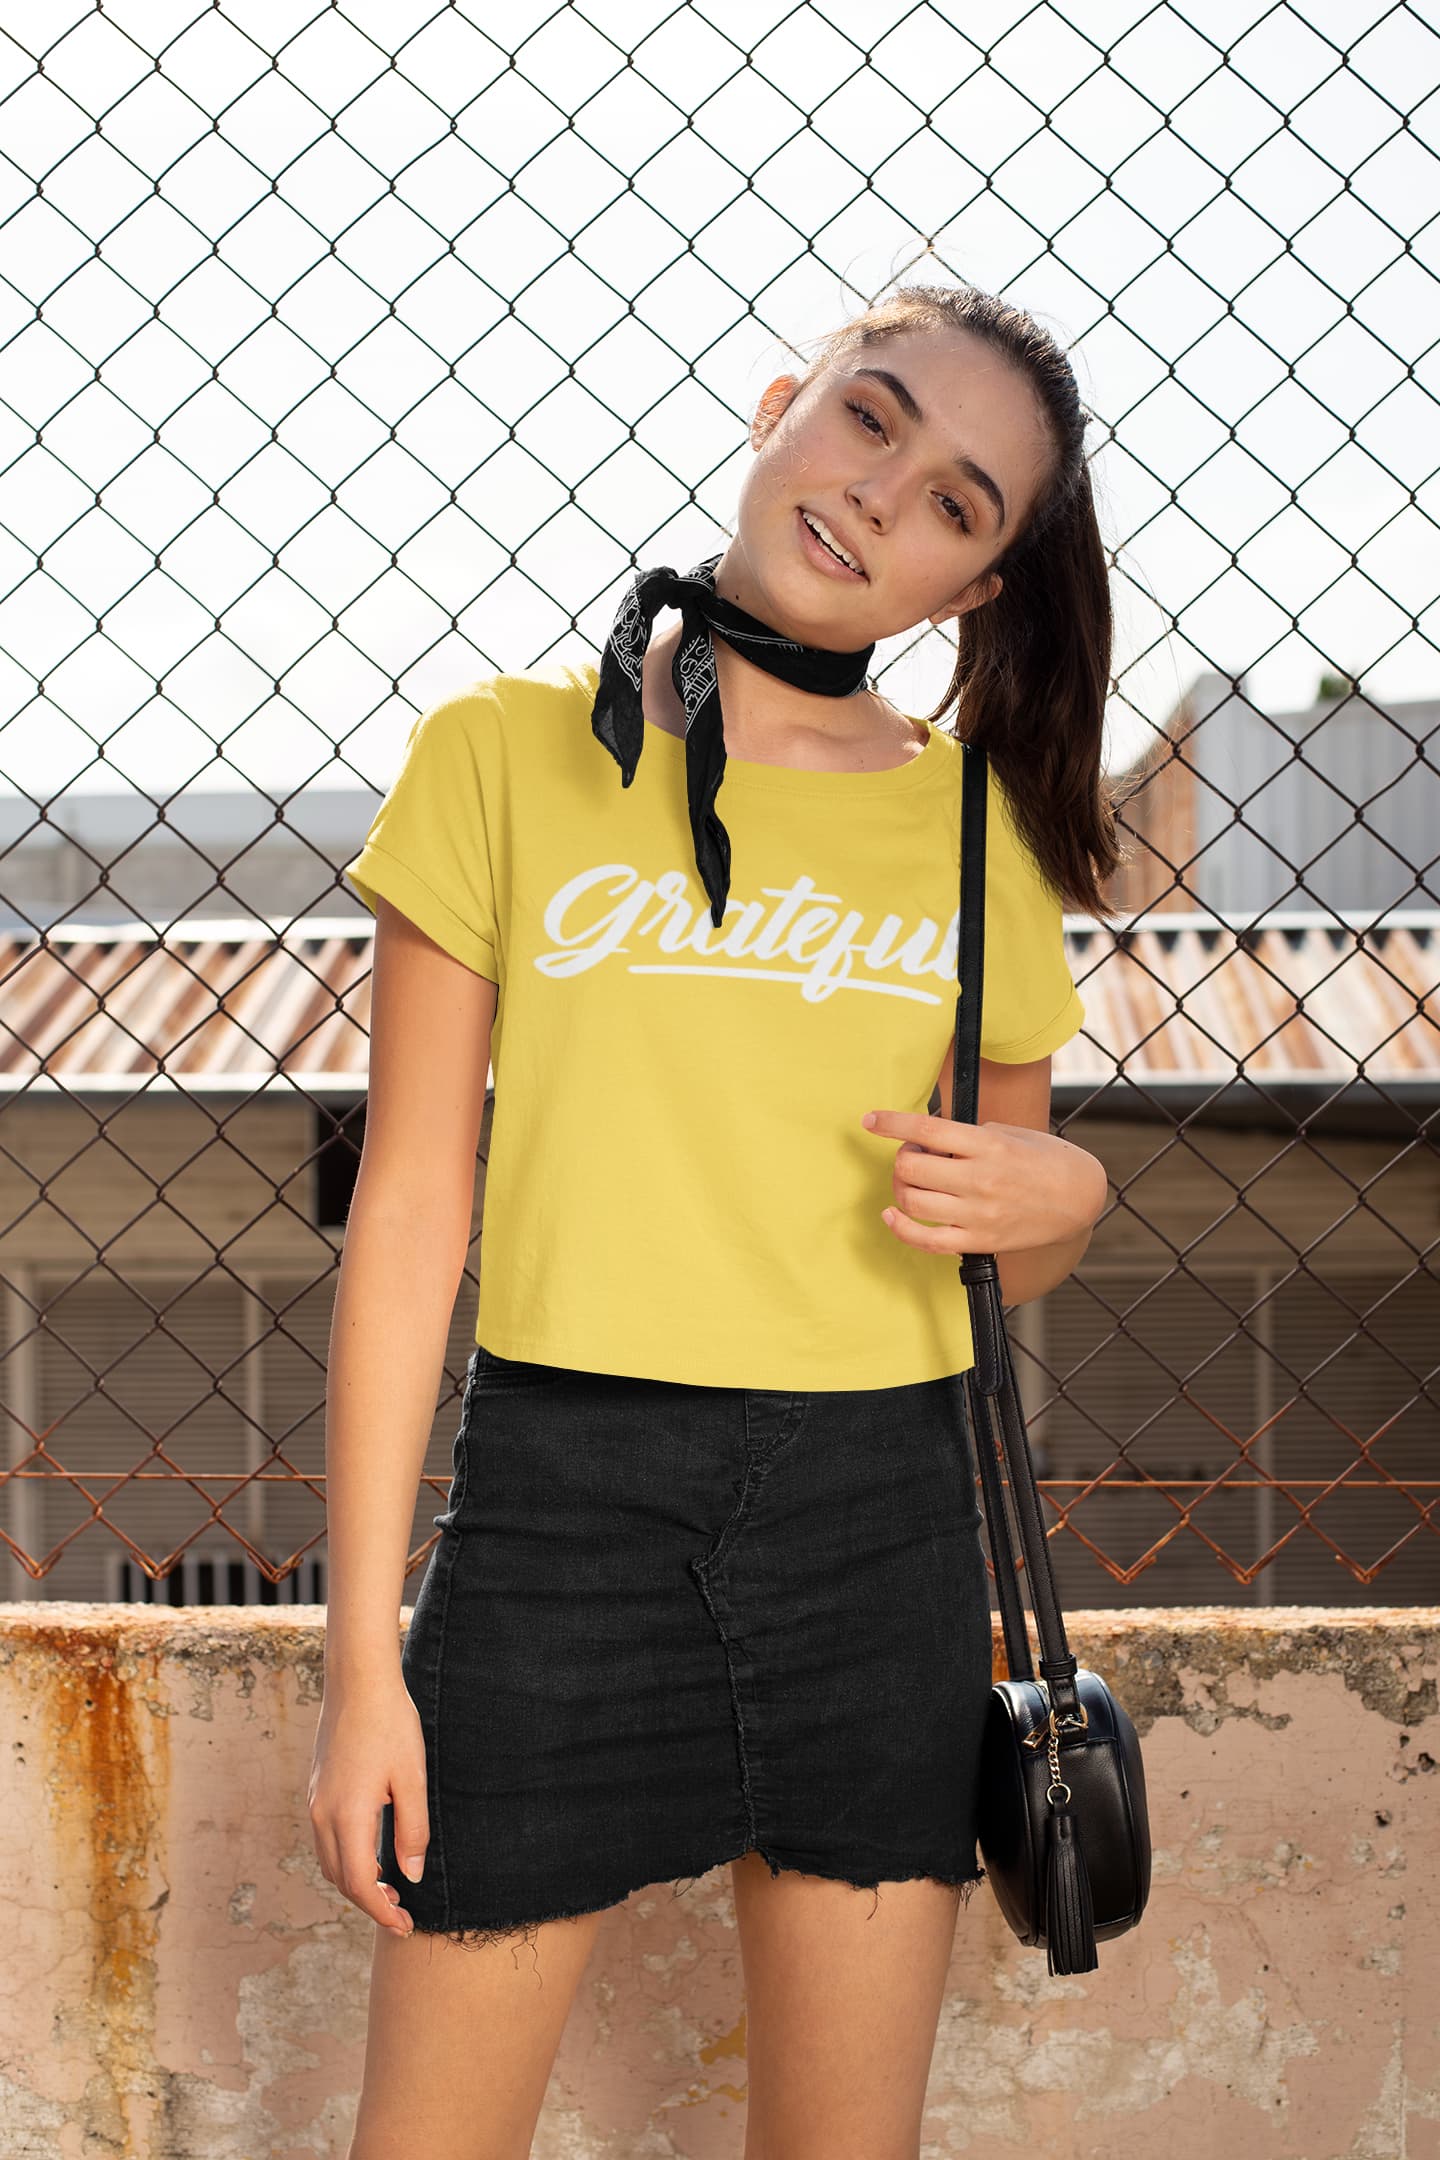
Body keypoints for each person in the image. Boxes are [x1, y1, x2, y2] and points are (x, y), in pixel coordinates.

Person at [312, 281, 1125, 2160]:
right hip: (561, 1525)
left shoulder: (973, 827)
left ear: (970, 593)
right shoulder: (504, 756)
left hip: (886, 1528)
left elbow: (1003, 1224)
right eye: (872, 419)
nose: (881, 495)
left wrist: (1069, 1189)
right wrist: (363, 1660)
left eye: (956, 505)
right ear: (784, 402)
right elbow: (417, 1204)